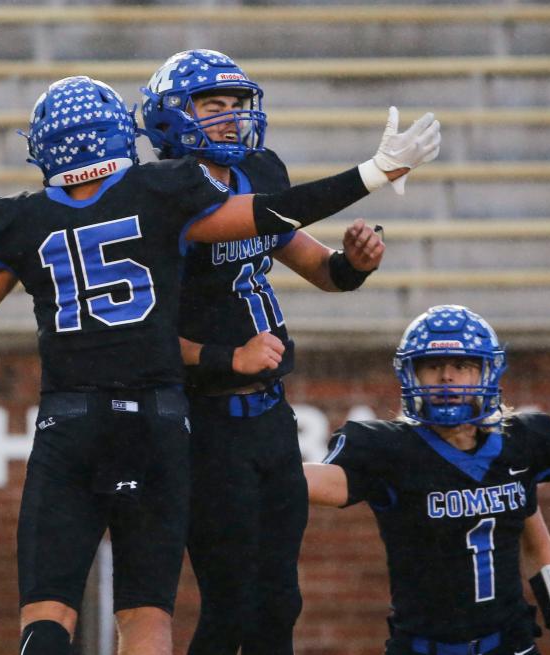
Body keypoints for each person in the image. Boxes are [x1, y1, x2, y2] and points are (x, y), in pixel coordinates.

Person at [0, 74, 441, 655]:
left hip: (70, 423)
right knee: (147, 616)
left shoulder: (21, 221)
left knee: (48, 613)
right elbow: (276, 212)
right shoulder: (160, 193)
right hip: (159, 421)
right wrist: (375, 173)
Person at [140, 49, 394, 655]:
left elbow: (318, 268)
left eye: (235, 105)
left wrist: (352, 265)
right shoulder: (159, 197)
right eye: (212, 105)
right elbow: (140, 338)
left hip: (270, 419)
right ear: (173, 116)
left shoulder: (255, 175)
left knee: (279, 603)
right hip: (204, 424)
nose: (229, 118)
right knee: (230, 606)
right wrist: (231, 359)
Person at [303, 305, 550, 655]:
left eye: (462, 366)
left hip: (509, 644)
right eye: (433, 366)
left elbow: (538, 548)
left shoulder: (518, 446)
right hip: (424, 648)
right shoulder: (393, 451)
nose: (447, 377)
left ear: (486, 372)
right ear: (412, 375)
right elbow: (325, 482)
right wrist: (250, 472)